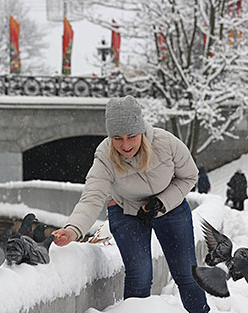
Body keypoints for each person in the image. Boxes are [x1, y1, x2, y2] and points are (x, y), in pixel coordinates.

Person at [52, 96, 210, 313]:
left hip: (170, 208)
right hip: (126, 210)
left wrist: (161, 203)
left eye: (131, 137)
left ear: (141, 132)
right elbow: (92, 196)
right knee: (139, 274)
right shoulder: (105, 156)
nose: (125, 145)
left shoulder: (167, 143)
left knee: (186, 273)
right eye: (117, 138)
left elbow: (189, 177)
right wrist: (73, 229)